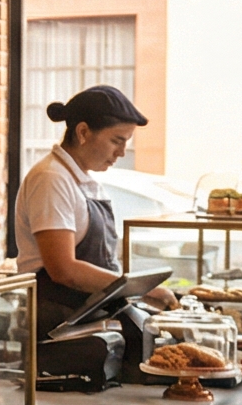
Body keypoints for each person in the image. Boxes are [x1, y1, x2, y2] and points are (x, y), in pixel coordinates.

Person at [16, 86, 173, 338]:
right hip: (58, 323)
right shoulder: (51, 179)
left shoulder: (81, 179)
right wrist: (139, 289)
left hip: (88, 315)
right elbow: (63, 269)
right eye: (116, 141)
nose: (121, 153)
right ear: (83, 132)